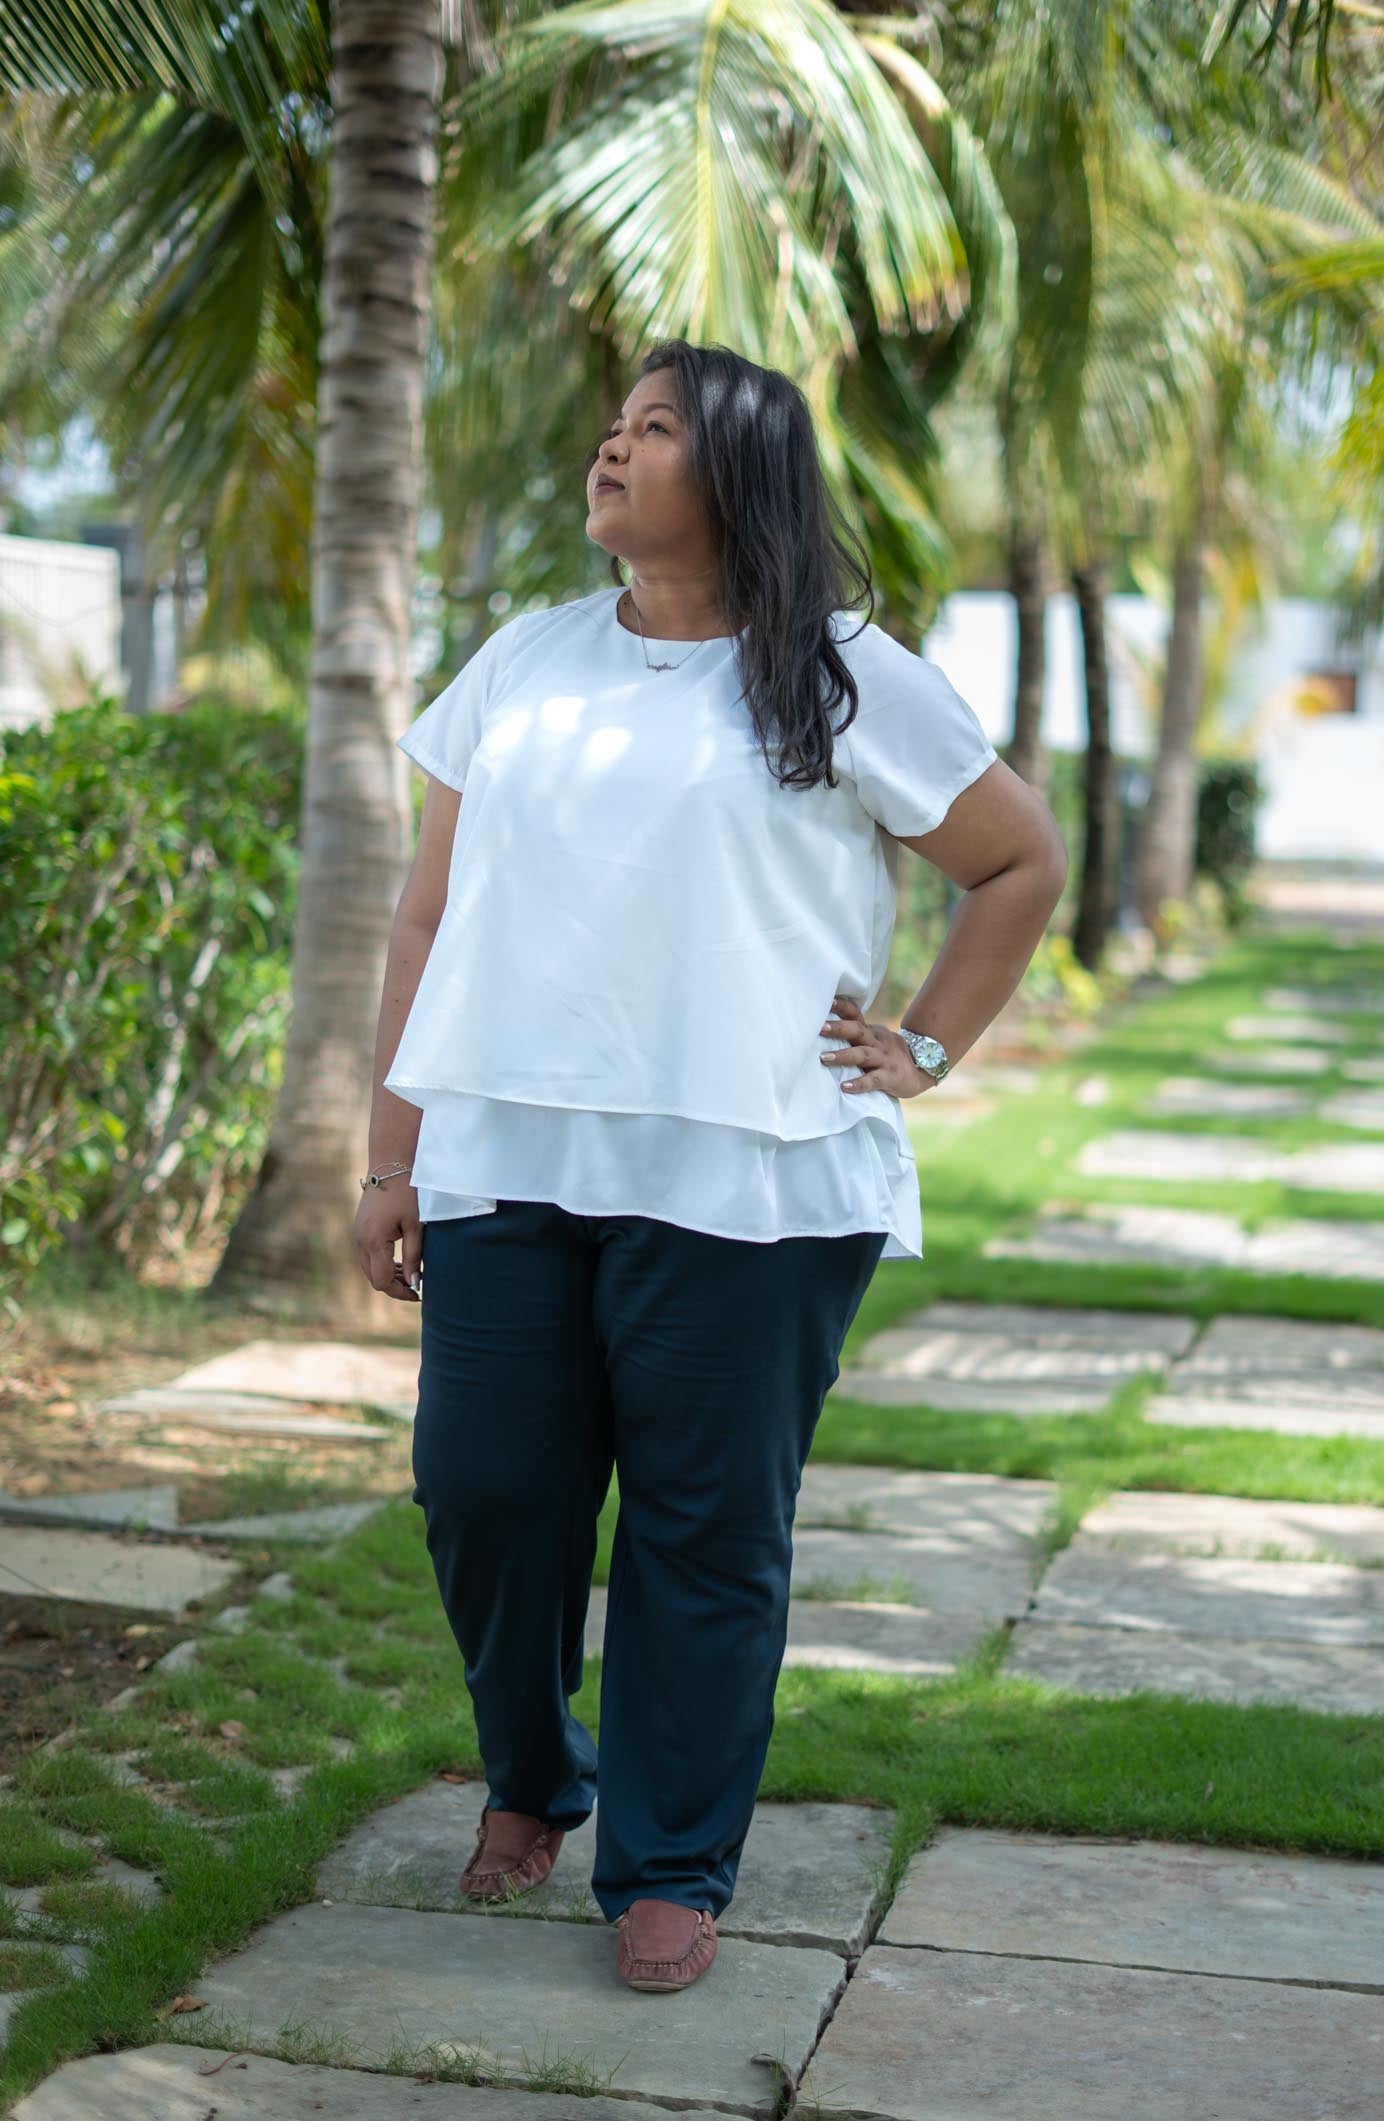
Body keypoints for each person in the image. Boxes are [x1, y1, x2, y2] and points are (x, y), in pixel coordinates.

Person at [354, 338, 1067, 1995]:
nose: (611, 449)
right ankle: (535, 1773)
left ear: (737, 470)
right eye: (609, 424)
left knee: (702, 1527)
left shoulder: (838, 673)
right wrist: (391, 1154)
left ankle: (667, 1860)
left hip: (752, 1177)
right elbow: (422, 913)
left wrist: (928, 1045)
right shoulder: (522, 662)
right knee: (482, 1491)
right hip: (506, 1156)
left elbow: (1016, 858)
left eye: (653, 429)